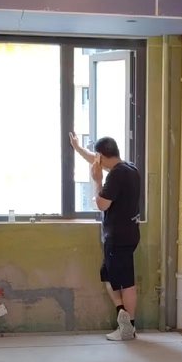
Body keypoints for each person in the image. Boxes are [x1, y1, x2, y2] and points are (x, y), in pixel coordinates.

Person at [69, 132, 141, 341]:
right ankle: (123, 316)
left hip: (118, 237)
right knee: (108, 275)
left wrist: (97, 181)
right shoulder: (130, 169)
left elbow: (102, 204)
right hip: (129, 233)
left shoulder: (115, 176)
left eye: (97, 156)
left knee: (126, 282)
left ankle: (128, 328)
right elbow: (94, 158)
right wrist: (78, 148)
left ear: (102, 155)